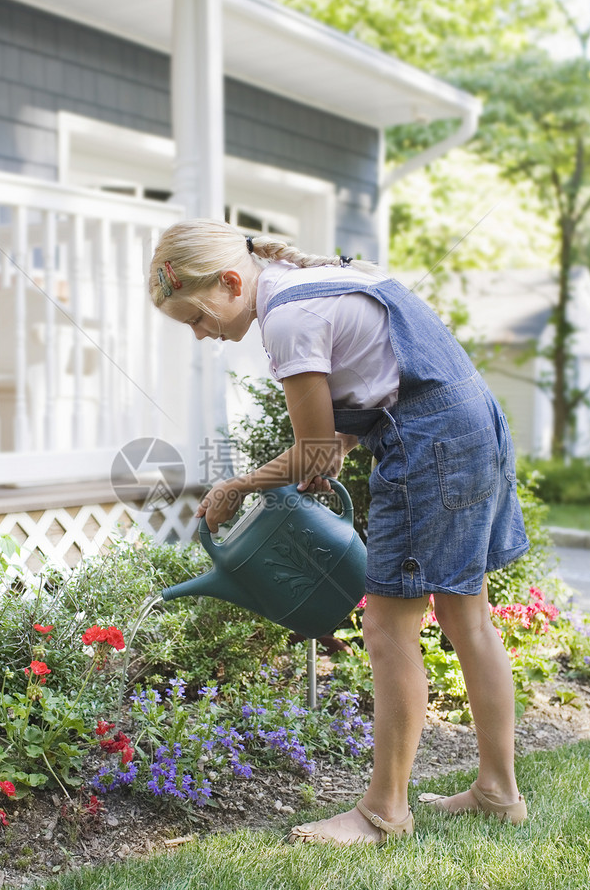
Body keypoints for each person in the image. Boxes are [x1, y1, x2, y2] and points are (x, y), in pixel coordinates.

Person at [148, 219, 530, 845]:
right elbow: (372, 386)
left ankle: (384, 813)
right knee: (468, 617)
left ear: (229, 282)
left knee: (386, 625)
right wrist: (333, 446)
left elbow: (315, 452)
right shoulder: (318, 282)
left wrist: (234, 488)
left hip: (429, 443)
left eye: (195, 317)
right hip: (470, 423)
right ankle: (497, 791)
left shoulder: (287, 321)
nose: (200, 334)